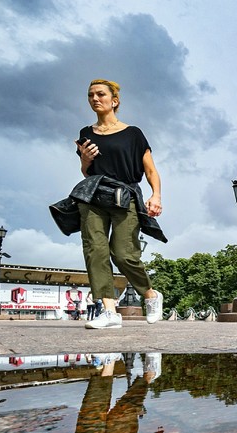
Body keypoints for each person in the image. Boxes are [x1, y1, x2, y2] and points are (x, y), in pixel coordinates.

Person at [75, 79, 164, 329]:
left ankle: (151, 295)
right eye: (90, 94)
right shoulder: (86, 133)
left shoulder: (133, 133)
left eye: (101, 94)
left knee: (124, 254)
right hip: (93, 196)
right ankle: (109, 311)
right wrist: (84, 159)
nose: (95, 98)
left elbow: (150, 170)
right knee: (95, 250)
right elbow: (86, 172)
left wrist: (155, 196)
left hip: (125, 197)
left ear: (114, 101)